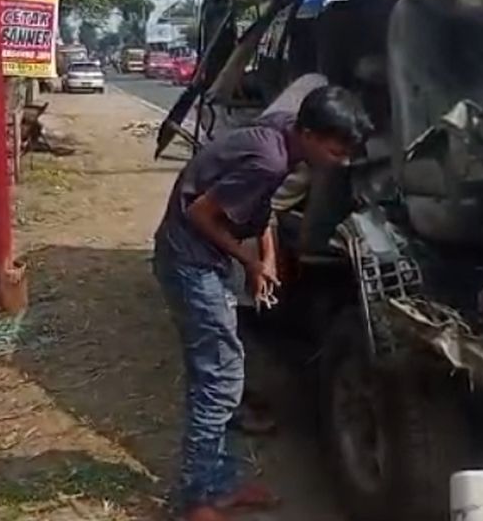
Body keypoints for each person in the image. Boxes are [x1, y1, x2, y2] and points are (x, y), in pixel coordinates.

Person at [153, 85, 371, 521]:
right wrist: (249, 260)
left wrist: (268, 256)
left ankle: (222, 482)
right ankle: (198, 500)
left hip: (199, 258)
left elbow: (263, 205)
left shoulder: (282, 134)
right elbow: (200, 213)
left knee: (221, 376)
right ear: (308, 133)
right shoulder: (268, 156)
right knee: (219, 383)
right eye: (335, 151)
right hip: (190, 262)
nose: (341, 163)